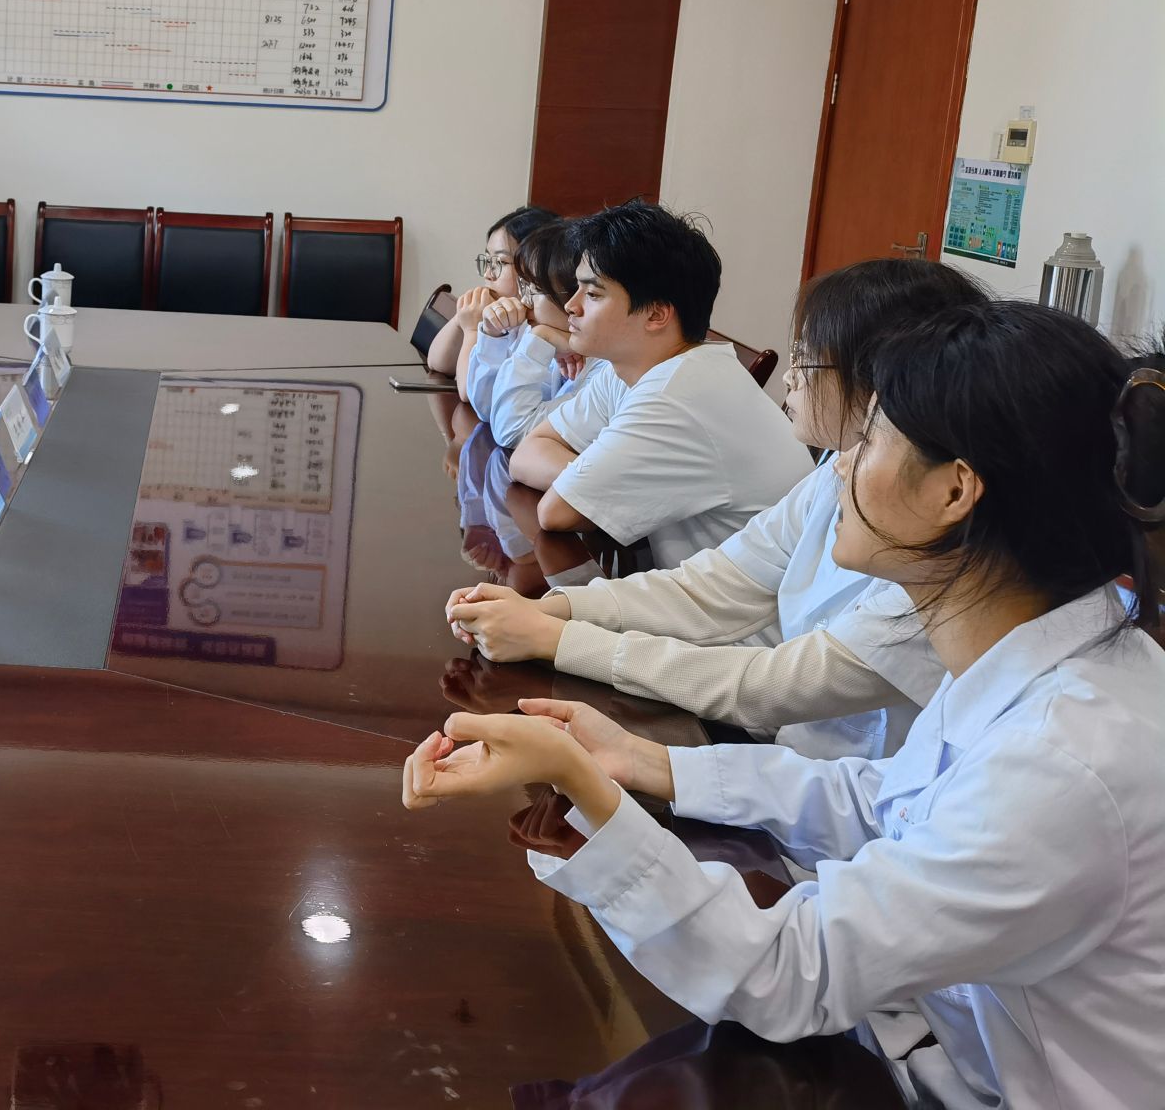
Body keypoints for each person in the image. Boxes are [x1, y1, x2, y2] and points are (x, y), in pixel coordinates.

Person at [403, 304, 1165, 1110]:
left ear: (954, 490)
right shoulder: (1047, 654)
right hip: (943, 1040)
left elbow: (790, 972)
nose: (839, 466)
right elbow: (888, 801)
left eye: (870, 440)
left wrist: (586, 793)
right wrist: (652, 763)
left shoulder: (1066, 759)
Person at [452, 258, 987, 759]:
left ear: (885, 382)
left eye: (806, 357)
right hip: (780, 751)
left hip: (804, 758)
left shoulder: (947, 557)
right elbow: (715, 583)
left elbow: (771, 688)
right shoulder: (837, 469)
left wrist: (554, 637)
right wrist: (554, 610)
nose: (791, 376)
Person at [507, 202, 812, 568]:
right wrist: (596, 480)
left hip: (746, 603)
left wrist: (594, 484)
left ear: (655, 314)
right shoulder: (630, 368)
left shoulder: (678, 397)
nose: (571, 306)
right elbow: (527, 451)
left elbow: (555, 512)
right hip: (682, 586)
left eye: (593, 294)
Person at [484, 217, 601, 450]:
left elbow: (511, 431)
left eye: (534, 289)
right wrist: (489, 332)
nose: (524, 301)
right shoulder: (564, 352)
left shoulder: (603, 369)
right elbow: (487, 407)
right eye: (523, 287)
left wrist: (540, 338)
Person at [425, 204, 556, 403]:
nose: (487, 274)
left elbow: (469, 393)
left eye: (500, 262)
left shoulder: (539, 328)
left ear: (535, 267)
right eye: (487, 261)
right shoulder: (498, 313)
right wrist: (461, 319)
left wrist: (472, 331)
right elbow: (437, 362)